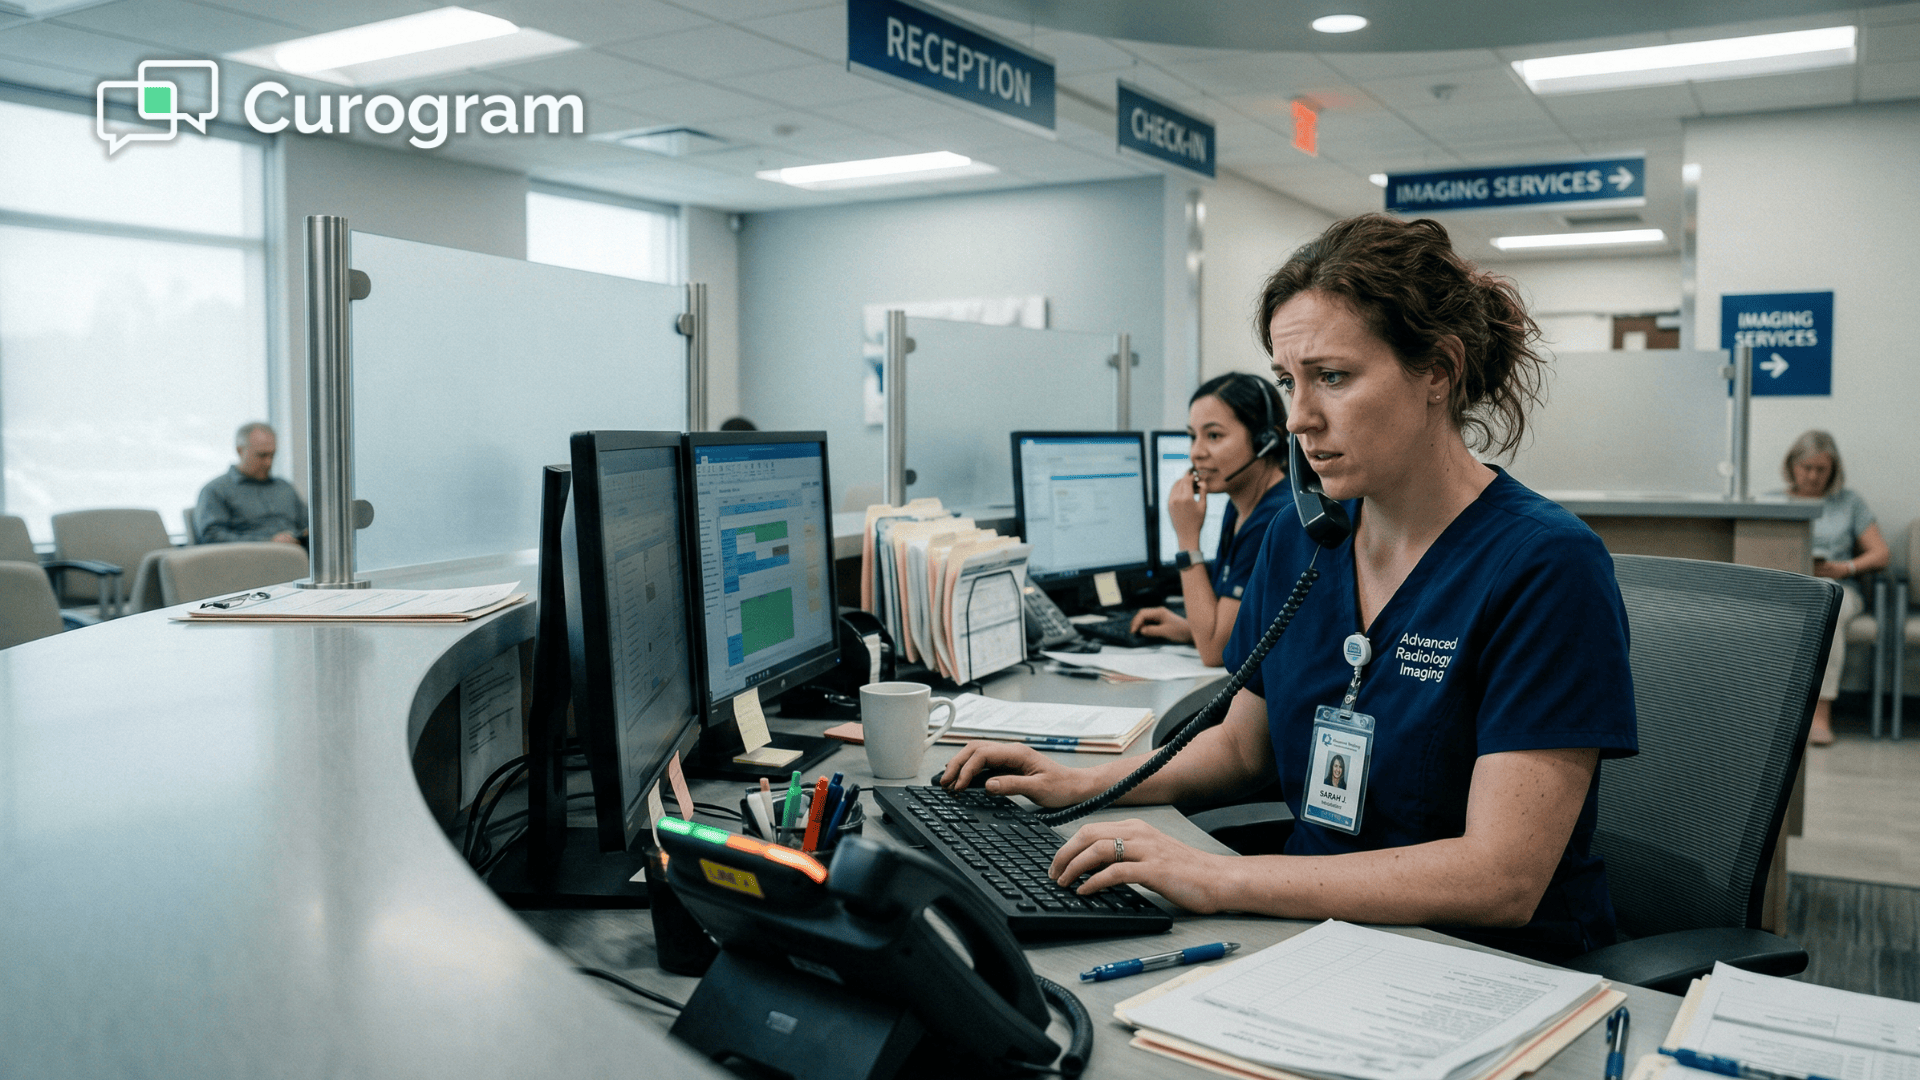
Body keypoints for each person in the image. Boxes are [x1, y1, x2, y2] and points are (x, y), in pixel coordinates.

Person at [943, 214, 1639, 963]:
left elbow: (1500, 878)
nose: (1300, 418)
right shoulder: (1299, 540)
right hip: (1313, 934)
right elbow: (1244, 748)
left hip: (1479, 963)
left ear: (1438, 371)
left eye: (1332, 377)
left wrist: (1218, 876)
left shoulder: (1545, 565)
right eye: (1288, 381)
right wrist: (1083, 782)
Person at [1130, 373, 1291, 666]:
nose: (1196, 453)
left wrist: (1187, 539)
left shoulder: (1275, 517)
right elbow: (1234, 627)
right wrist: (1189, 629)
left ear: (1264, 440)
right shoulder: (1241, 505)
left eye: (1214, 436)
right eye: (1193, 437)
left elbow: (1216, 652)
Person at [1778, 431, 1888, 745]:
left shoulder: (1849, 503)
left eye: (1821, 469)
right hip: (1792, 587)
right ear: (1792, 465)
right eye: (1806, 467)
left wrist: (1844, 568)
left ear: (1833, 469)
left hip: (1838, 587)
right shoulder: (1773, 501)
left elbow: (1881, 553)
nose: (1813, 476)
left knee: (1828, 608)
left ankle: (1820, 715)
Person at [195, 422, 307, 545]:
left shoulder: (284, 487)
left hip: (298, 552)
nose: (268, 462)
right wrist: (268, 542)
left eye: (272, 455)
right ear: (240, 451)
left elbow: (309, 524)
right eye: (262, 455)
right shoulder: (216, 490)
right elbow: (212, 536)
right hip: (250, 555)